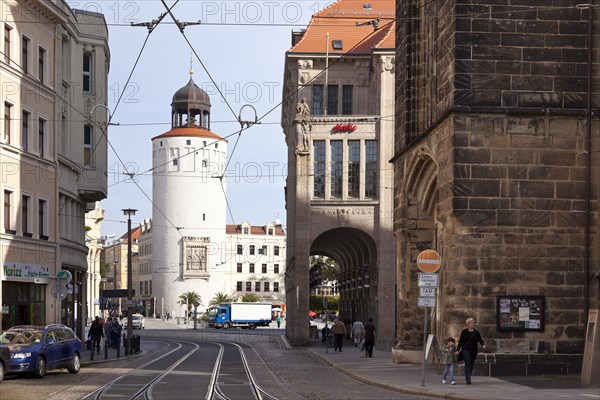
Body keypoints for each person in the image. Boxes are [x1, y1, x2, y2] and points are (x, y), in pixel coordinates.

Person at [456, 317, 487, 385]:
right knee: (468, 363)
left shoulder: (476, 332)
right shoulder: (464, 332)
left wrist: (483, 344)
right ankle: (468, 378)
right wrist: (458, 350)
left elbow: (480, 339)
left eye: (473, 322)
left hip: (474, 351)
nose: (473, 324)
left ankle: (468, 375)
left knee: (471, 364)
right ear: (467, 324)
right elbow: (460, 341)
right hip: (465, 350)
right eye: (471, 323)